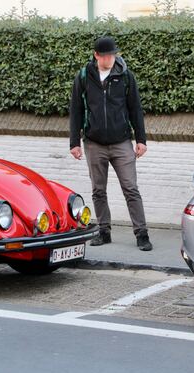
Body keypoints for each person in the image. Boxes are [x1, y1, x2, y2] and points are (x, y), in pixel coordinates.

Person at [69, 36, 152, 251]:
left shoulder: (125, 76)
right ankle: (104, 231)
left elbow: (135, 108)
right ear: (97, 55)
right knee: (98, 190)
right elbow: (76, 110)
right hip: (94, 143)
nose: (111, 59)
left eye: (113, 54)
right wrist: (74, 142)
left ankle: (142, 233)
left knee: (131, 188)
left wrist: (141, 140)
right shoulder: (84, 76)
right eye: (106, 55)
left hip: (122, 142)